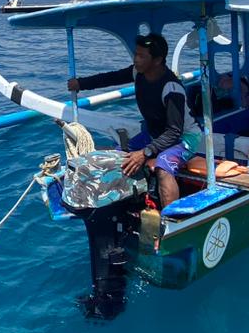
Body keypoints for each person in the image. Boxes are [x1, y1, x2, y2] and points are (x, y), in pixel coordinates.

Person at [67, 33, 199, 211]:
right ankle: (119, 202)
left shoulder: (171, 88)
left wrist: (145, 152)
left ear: (157, 60)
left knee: (163, 165)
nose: (136, 59)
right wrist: (81, 84)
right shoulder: (138, 72)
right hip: (155, 134)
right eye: (136, 54)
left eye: (142, 56)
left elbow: (174, 132)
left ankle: (170, 220)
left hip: (185, 138)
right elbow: (112, 78)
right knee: (118, 154)